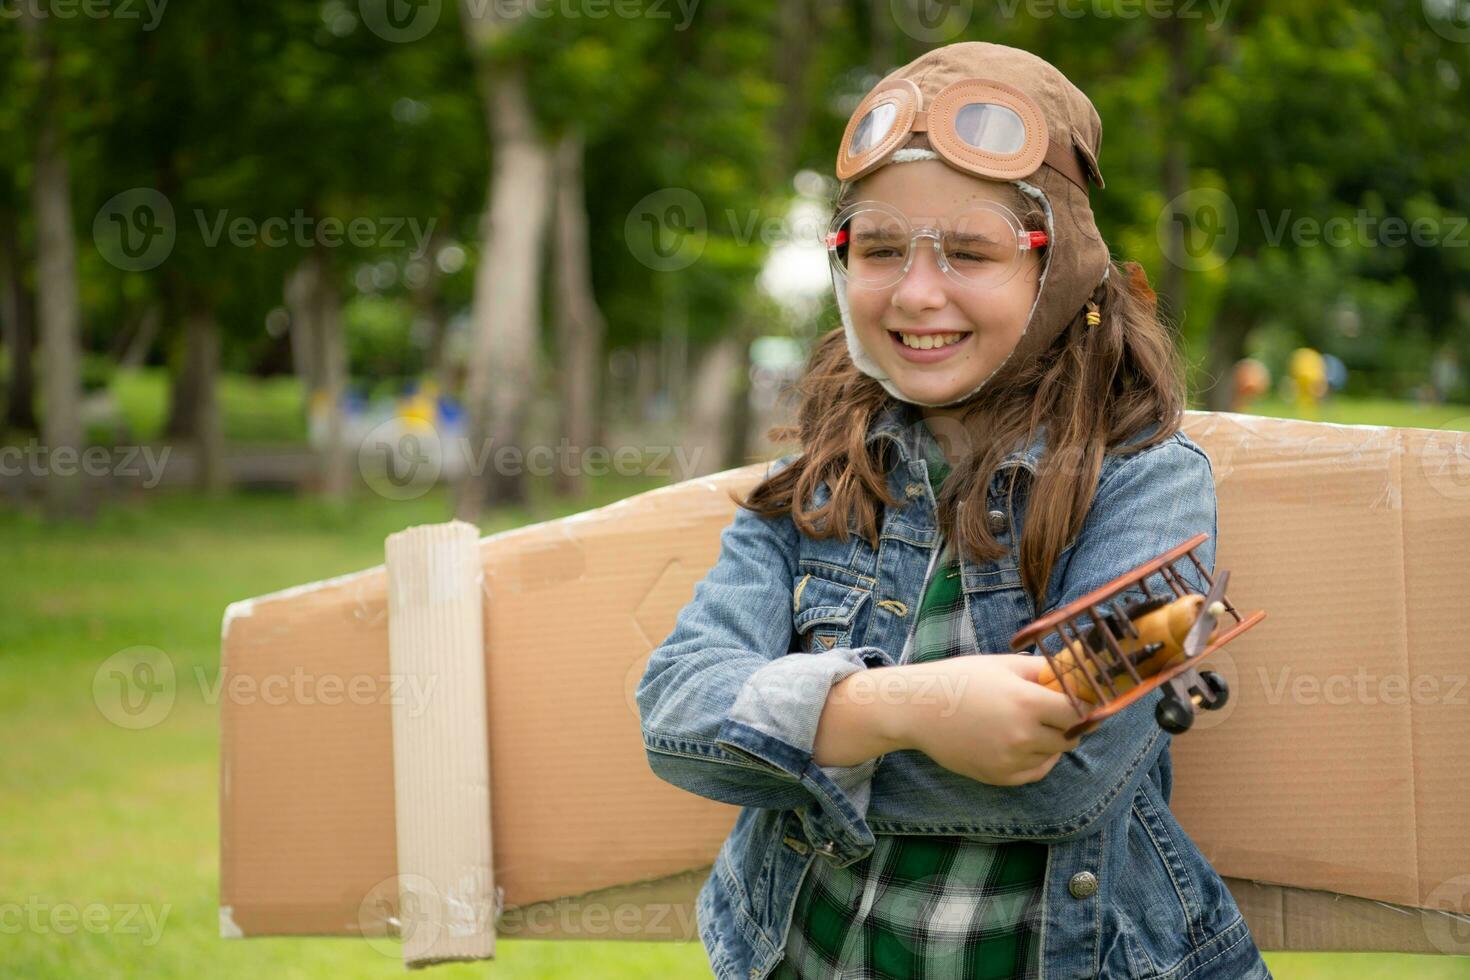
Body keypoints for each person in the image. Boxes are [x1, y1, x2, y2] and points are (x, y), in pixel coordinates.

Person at [637, 42, 1273, 980]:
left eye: (970, 250)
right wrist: (909, 709)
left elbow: (1067, 779)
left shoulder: (1149, 478)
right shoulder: (815, 478)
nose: (916, 291)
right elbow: (675, 710)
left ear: (1058, 268)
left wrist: (793, 748)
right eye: (881, 248)